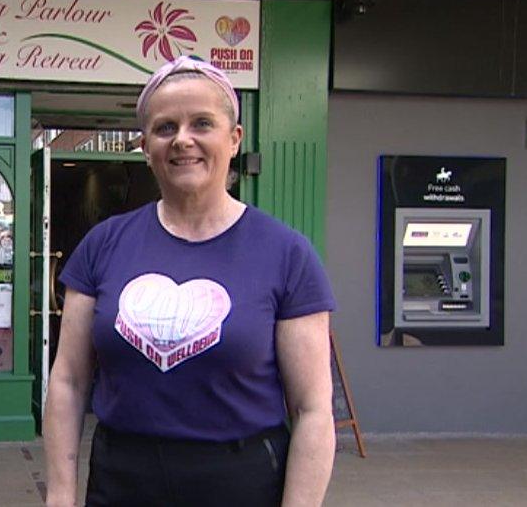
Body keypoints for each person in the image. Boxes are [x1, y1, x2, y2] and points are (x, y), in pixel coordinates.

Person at [44, 55, 337, 507]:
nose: (183, 140)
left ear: (234, 138)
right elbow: (67, 381)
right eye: (165, 128)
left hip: (241, 482)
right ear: (144, 146)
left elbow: (313, 410)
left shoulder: (287, 254)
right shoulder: (103, 245)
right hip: (123, 480)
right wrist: (60, 496)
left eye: (202, 123)